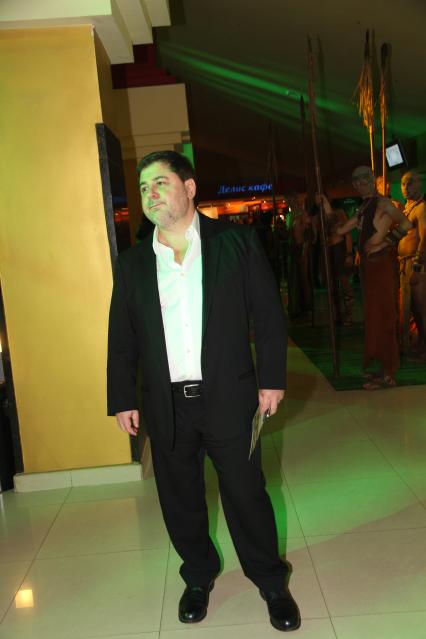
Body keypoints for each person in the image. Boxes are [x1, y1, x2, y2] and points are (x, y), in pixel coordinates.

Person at [107, 151, 300, 632]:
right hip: (165, 403)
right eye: (144, 187)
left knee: (246, 493)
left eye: (160, 183)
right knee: (180, 498)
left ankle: (270, 581)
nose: (150, 194)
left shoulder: (234, 243)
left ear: (189, 188)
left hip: (230, 396)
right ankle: (197, 576)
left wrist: (272, 379)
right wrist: (122, 398)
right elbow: (122, 339)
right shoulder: (132, 264)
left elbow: (268, 316)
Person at [334, 166, 411, 389]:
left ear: (370, 180)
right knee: (374, 318)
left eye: (362, 180)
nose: (358, 184)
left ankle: (388, 373)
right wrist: (327, 210)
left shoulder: (383, 203)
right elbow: (341, 230)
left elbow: (406, 224)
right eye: (355, 181)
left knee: (384, 316)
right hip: (369, 267)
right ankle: (381, 367)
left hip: (381, 265)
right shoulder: (365, 206)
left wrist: (385, 242)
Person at [315, 194, 354, 326]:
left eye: (320, 198)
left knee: (344, 283)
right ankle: (336, 314)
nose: (318, 201)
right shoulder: (318, 217)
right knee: (331, 285)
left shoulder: (338, 213)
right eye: (316, 199)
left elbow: (347, 234)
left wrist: (349, 253)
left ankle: (349, 314)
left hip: (339, 249)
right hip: (327, 252)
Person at [399, 171, 426, 358]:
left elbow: (425, 238)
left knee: (421, 307)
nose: (405, 187)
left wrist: (417, 266)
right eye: (403, 184)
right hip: (404, 264)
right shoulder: (407, 209)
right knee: (413, 310)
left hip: (417, 264)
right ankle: (420, 343)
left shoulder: (422, 208)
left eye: (410, 183)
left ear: (419, 184)